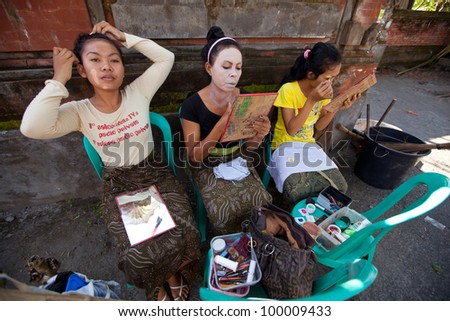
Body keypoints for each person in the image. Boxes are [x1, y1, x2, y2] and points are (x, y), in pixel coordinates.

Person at [20, 21, 200, 301]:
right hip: (121, 184)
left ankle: (174, 275)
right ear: (81, 69)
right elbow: (31, 127)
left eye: (114, 60)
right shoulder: (79, 112)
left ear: (122, 68)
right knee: (140, 248)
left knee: (181, 228)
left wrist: (124, 37)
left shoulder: (138, 92)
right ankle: (161, 281)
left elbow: (167, 58)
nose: (106, 66)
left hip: (155, 173)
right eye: (95, 60)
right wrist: (58, 79)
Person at [179, 26, 272, 236]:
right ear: (209, 68)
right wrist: (222, 123)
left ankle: (251, 242)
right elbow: (194, 156)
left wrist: (259, 135)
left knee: (262, 202)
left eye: (238, 68)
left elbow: (249, 147)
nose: (233, 73)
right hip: (206, 163)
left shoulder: (245, 99)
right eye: (226, 66)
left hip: (236, 158)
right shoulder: (192, 105)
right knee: (223, 212)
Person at [269, 42, 361, 208]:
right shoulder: (288, 90)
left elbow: (318, 127)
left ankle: (316, 217)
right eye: (327, 78)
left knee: (340, 187)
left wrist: (336, 106)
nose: (331, 83)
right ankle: (293, 218)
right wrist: (311, 100)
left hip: (308, 146)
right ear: (311, 74)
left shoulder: (324, 92)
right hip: (284, 146)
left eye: (334, 78)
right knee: (297, 190)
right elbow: (292, 130)